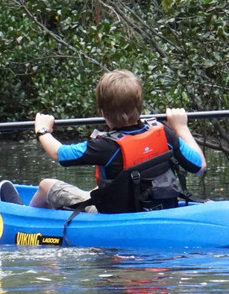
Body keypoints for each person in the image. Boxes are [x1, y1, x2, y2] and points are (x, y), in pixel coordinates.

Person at [26, 69, 206, 214]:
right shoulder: (165, 134)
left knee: (45, 185)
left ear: (102, 112)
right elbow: (200, 166)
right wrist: (181, 128)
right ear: (140, 107)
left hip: (117, 216)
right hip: (158, 210)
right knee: (95, 189)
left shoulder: (105, 146)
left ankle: (28, 220)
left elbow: (57, 153)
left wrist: (43, 130)